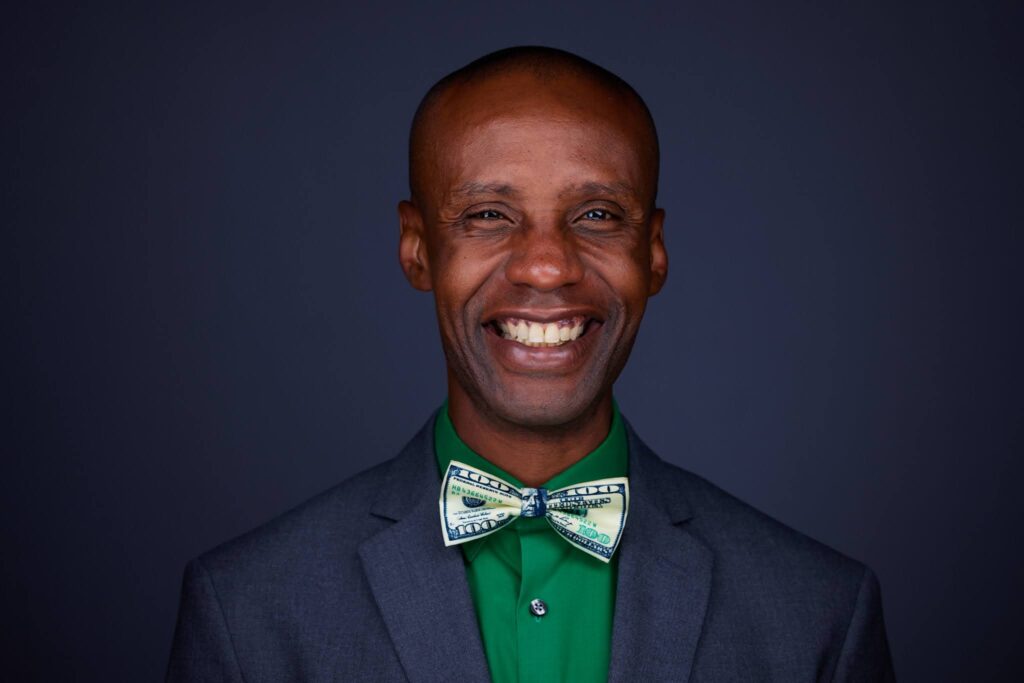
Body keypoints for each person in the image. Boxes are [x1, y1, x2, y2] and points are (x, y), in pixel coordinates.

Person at [167, 46, 895, 682]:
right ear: (417, 247)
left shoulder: (819, 615)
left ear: (655, 251)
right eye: (488, 214)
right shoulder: (247, 612)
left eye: (598, 215)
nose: (547, 266)